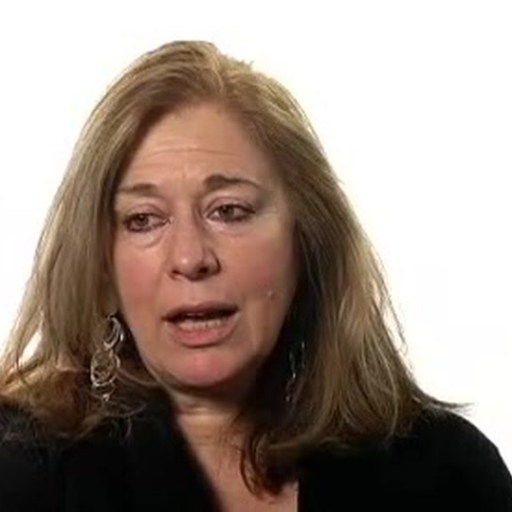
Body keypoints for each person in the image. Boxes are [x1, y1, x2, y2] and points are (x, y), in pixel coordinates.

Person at [0, 41, 510, 512]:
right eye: (144, 220)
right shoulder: (22, 473)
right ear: (101, 268)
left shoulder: (449, 474)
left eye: (229, 210)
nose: (190, 258)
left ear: (307, 239)